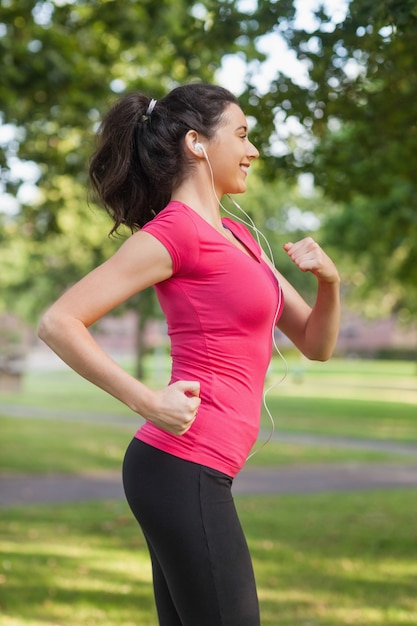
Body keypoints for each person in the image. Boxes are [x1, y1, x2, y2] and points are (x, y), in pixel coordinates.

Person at [38, 82, 340, 626]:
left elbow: (316, 344)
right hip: (182, 466)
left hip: (192, 470)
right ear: (197, 144)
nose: (252, 151)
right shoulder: (175, 233)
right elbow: (59, 322)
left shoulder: (236, 236)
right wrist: (148, 402)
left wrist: (329, 283)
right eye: (242, 135)